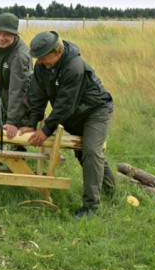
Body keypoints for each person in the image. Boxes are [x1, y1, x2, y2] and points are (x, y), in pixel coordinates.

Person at [20, 31, 116, 218]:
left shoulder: (74, 67)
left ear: (56, 53)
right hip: (73, 114)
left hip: (96, 111)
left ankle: (90, 208)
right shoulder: (42, 66)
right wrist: (32, 123)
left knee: (91, 151)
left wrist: (46, 130)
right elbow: (37, 96)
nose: (38, 62)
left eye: (42, 57)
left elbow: (65, 104)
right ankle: (111, 192)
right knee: (83, 154)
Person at [0, 12, 33, 150]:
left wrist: (12, 121)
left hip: (21, 100)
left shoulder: (20, 56)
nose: (1, 38)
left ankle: (17, 169)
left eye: (7, 34)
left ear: (15, 35)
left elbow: (18, 90)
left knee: (16, 138)